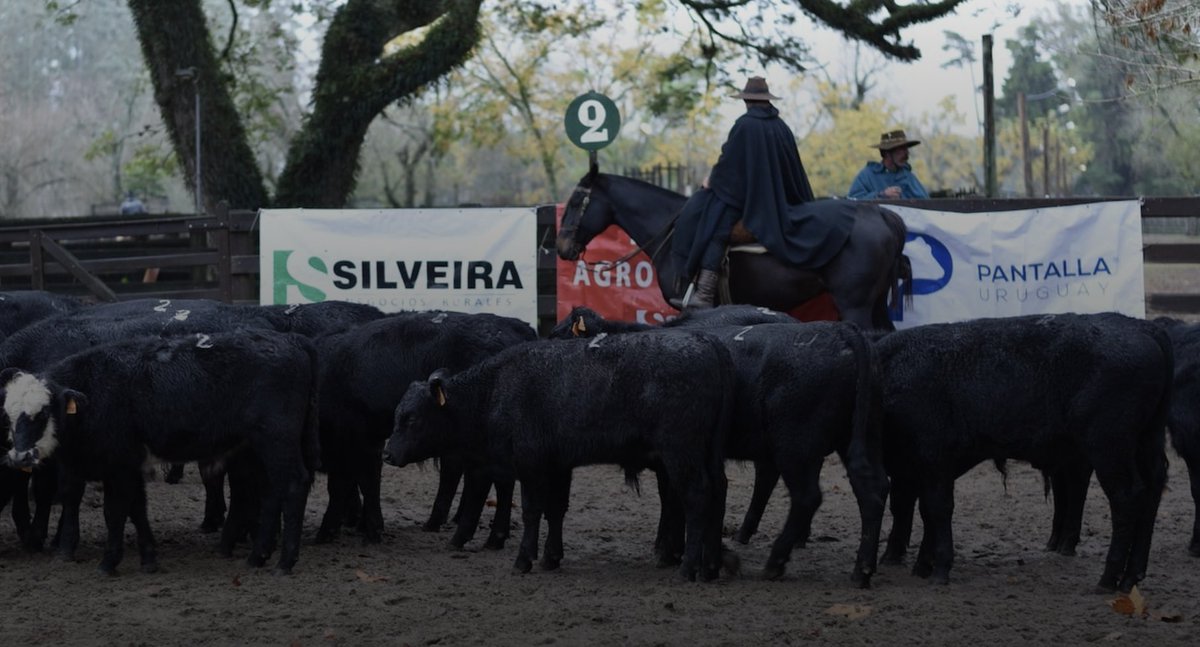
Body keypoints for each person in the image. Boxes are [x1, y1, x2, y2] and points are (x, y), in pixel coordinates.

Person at [669, 76, 815, 310]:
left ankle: (704, 293)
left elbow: (730, 164)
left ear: (747, 100)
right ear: (766, 100)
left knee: (715, 227)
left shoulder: (745, 125)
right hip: (784, 203)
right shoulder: (781, 126)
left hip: (754, 204)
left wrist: (712, 181)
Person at [848, 129, 929, 200]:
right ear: (887, 153)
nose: (907, 153)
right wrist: (881, 195)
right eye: (902, 149)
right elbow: (853, 200)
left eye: (906, 149)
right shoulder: (867, 175)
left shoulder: (908, 176)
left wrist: (902, 198)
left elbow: (925, 203)